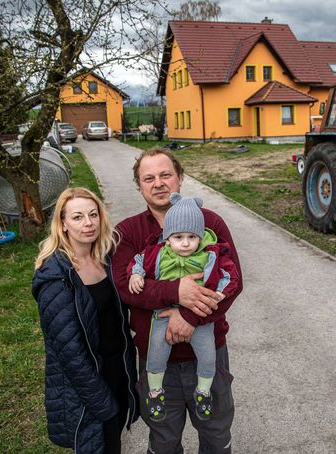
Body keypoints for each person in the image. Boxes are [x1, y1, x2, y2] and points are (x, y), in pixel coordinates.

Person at [111, 148, 243, 454]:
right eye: (149, 178)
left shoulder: (212, 224)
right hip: (157, 360)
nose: (158, 183)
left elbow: (232, 284)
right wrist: (177, 291)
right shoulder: (128, 233)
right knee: (164, 441)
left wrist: (190, 317)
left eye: (165, 174)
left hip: (208, 355)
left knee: (216, 434)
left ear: (180, 178)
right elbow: (125, 287)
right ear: (140, 185)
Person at [32, 187, 139, 454]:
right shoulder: (56, 276)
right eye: (77, 217)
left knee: (114, 444)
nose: (88, 223)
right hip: (88, 384)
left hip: (117, 370)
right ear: (63, 224)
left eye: (93, 215)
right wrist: (101, 402)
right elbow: (69, 354)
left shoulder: (105, 258)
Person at [127, 192, 240, 424]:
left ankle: (204, 391)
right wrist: (136, 275)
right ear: (167, 238)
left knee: (208, 356)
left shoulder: (211, 254)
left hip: (200, 315)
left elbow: (231, 274)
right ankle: (155, 392)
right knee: (156, 352)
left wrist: (220, 292)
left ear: (201, 237)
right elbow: (138, 261)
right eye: (178, 237)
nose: (186, 243)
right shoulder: (157, 253)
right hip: (164, 314)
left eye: (192, 237)